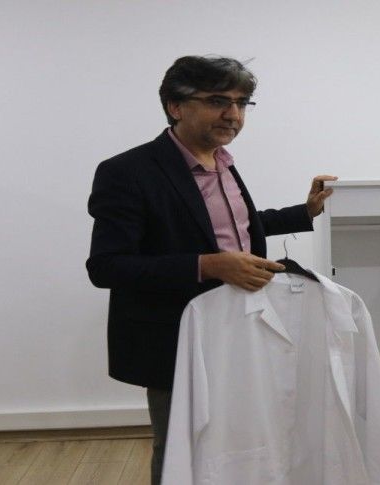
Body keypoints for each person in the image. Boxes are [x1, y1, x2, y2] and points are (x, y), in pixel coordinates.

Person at [86, 55, 336, 484]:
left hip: (243, 327)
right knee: (180, 449)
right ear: (175, 106)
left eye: (241, 103)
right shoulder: (126, 172)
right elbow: (107, 266)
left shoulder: (223, 163)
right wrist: (209, 266)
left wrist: (306, 211)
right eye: (218, 101)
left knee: (241, 440)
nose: (233, 114)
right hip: (177, 337)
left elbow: (237, 226)